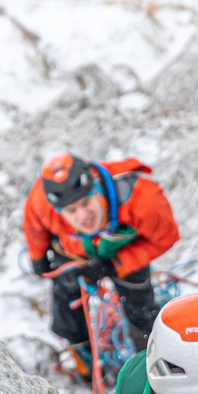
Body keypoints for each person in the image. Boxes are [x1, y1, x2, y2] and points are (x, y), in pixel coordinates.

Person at [22, 152, 180, 376]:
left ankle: (150, 363)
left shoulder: (142, 197)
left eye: (86, 202)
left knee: (140, 308)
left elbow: (166, 237)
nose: (83, 215)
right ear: (58, 210)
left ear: (96, 187)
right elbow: (33, 225)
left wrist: (118, 264)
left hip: (125, 250)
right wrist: (37, 257)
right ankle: (85, 361)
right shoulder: (41, 199)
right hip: (74, 253)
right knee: (67, 299)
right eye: (71, 210)